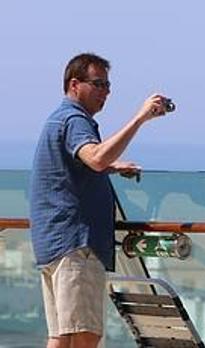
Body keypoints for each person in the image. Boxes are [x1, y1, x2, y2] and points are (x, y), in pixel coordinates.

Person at [29, 53, 171, 348]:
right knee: (84, 336)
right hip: (77, 245)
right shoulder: (75, 119)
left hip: (54, 244)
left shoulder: (59, 118)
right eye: (98, 84)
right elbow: (94, 157)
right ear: (74, 85)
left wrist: (112, 167)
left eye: (107, 85)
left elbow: (75, 164)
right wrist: (140, 118)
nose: (105, 91)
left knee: (60, 338)